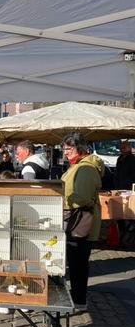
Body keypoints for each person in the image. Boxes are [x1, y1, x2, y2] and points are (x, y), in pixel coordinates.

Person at [61, 132, 103, 310]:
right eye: (63, 149)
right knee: (76, 262)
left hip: (80, 223)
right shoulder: (77, 166)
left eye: (68, 149)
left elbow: (83, 197)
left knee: (78, 264)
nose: (65, 152)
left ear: (80, 149)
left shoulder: (85, 168)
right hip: (77, 221)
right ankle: (77, 296)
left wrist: (60, 199)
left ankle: (79, 300)